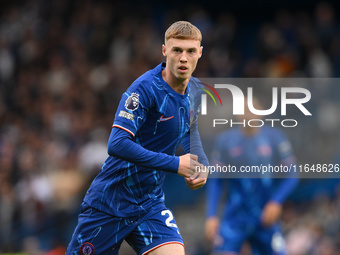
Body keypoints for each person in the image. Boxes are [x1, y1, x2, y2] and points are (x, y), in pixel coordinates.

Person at [66, 21, 209, 255]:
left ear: (199, 53)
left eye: (190, 51)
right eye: (177, 50)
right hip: (110, 203)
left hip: (149, 205)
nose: (183, 58)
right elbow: (117, 144)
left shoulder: (196, 91)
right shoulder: (144, 89)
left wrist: (201, 164)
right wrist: (176, 164)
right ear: (165, 51)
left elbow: (189, 130)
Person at [205, 97, 298, 255]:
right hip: (234, 217)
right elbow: (216, 180)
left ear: (261, 111)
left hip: (265, 216)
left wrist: (276, 201)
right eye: (244, 109)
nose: (248, 113)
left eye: (252, 108)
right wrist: (211, 215)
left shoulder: (274, 137)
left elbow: (292, 174)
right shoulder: (225, 141)